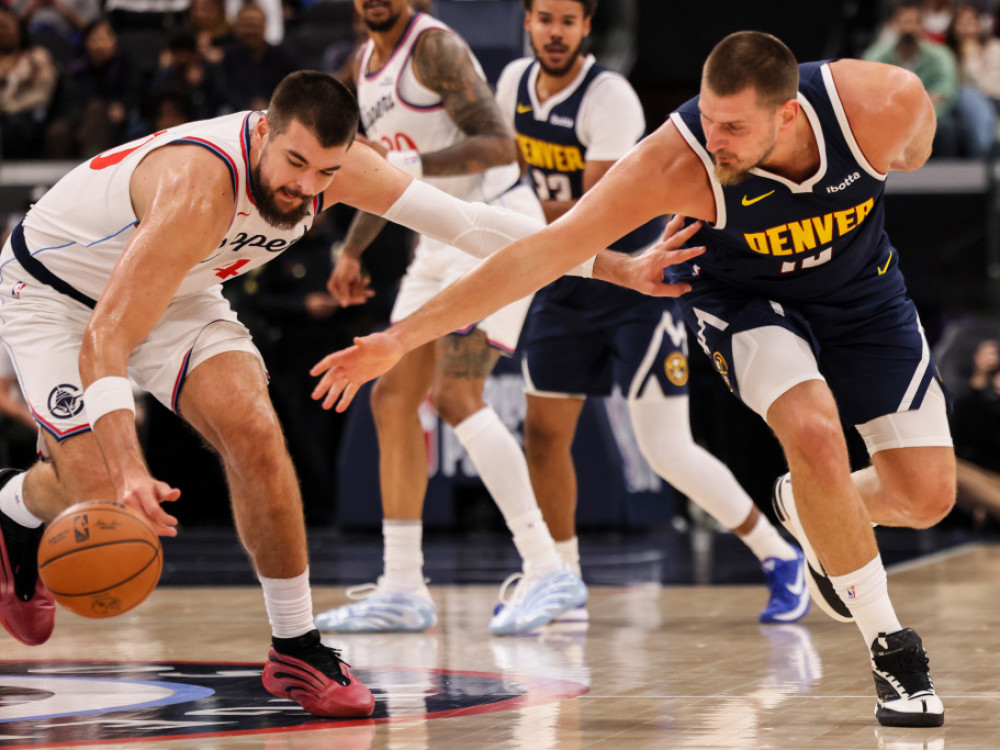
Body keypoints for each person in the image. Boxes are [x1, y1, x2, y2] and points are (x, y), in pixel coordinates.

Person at [310, 31, 954, 728]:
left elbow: (913, 153)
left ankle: (804, 508)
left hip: (863, 297)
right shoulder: (678, 160)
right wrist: (399, 339)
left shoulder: (885, 104)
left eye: (735, 128)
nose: (717, 139)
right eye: (709, 119)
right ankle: (891, 648)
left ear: (789, 115)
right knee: (813, 430)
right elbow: (541, 253)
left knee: (925, 497)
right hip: (744, 302)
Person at [0, 69, 677, 716]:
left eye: (324, 171)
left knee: (257, 433)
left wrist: (617, 266)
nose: (305, 187)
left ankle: (296, 649)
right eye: (294, 163)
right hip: (56, 298)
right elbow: (106, 339)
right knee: (90, 487)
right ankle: (14, 507)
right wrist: (128, 469)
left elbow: (472, 226)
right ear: (264, 129)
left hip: (181, 292)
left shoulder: (337, 168)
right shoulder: (198, 187)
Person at [495, 0, 808, 624]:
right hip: (563, 280)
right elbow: (511, 182)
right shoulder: (510, 85)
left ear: (588, 28)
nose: (554, 32)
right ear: (526, 23)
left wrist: (499, 225)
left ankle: (779, 556)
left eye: (567, 21)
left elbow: (593, 215)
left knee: (666, 448)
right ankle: (563, 579)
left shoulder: (609, 97)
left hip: (634, 281)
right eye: (544, 18)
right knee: (543, 437)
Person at [313, 0, 588, 637]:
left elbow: (498, 144)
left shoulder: (433, 47)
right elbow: (381, 175)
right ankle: (403, 587)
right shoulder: (363, 66)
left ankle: (547, 567)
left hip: (495, 227)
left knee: (456, 393)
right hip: (434, 241)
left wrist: (416, 167)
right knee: (391, 396)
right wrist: (351, 249)